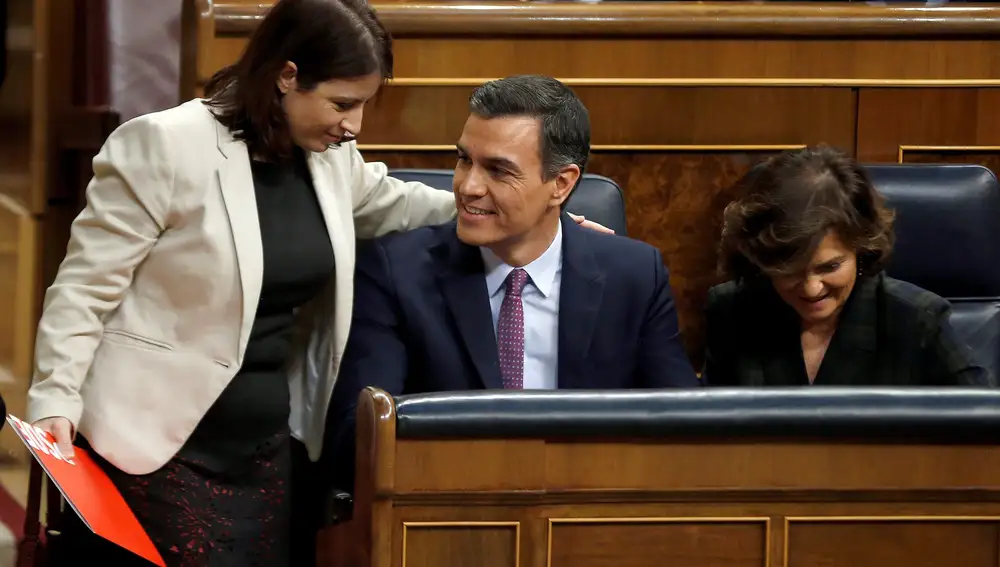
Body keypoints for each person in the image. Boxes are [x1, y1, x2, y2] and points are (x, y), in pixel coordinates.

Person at [24, 1, 608, 565]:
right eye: (341, 104)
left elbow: (391, 201)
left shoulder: (326, 156)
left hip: (266, 451)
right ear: (286, 76)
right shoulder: (163, 145)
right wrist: (54, 398)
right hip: (152, 446)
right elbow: (84, 289)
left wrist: (532, 218)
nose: (353, 126)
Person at [325, 74, 701, 492]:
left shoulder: (633, 276)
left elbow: (681, 433)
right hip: (448, 515)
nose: (467, 187)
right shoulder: (397, 273)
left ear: (561, 184)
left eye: (498, 170)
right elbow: (357, 443)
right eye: (465, 160)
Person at [703, 145, 993, 387]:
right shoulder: (731, 310)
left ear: (861, 247)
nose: (811, 288)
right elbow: (711, 432)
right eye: (789, 270)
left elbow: (985, 427)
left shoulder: (919, 321)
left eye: (829, 267)